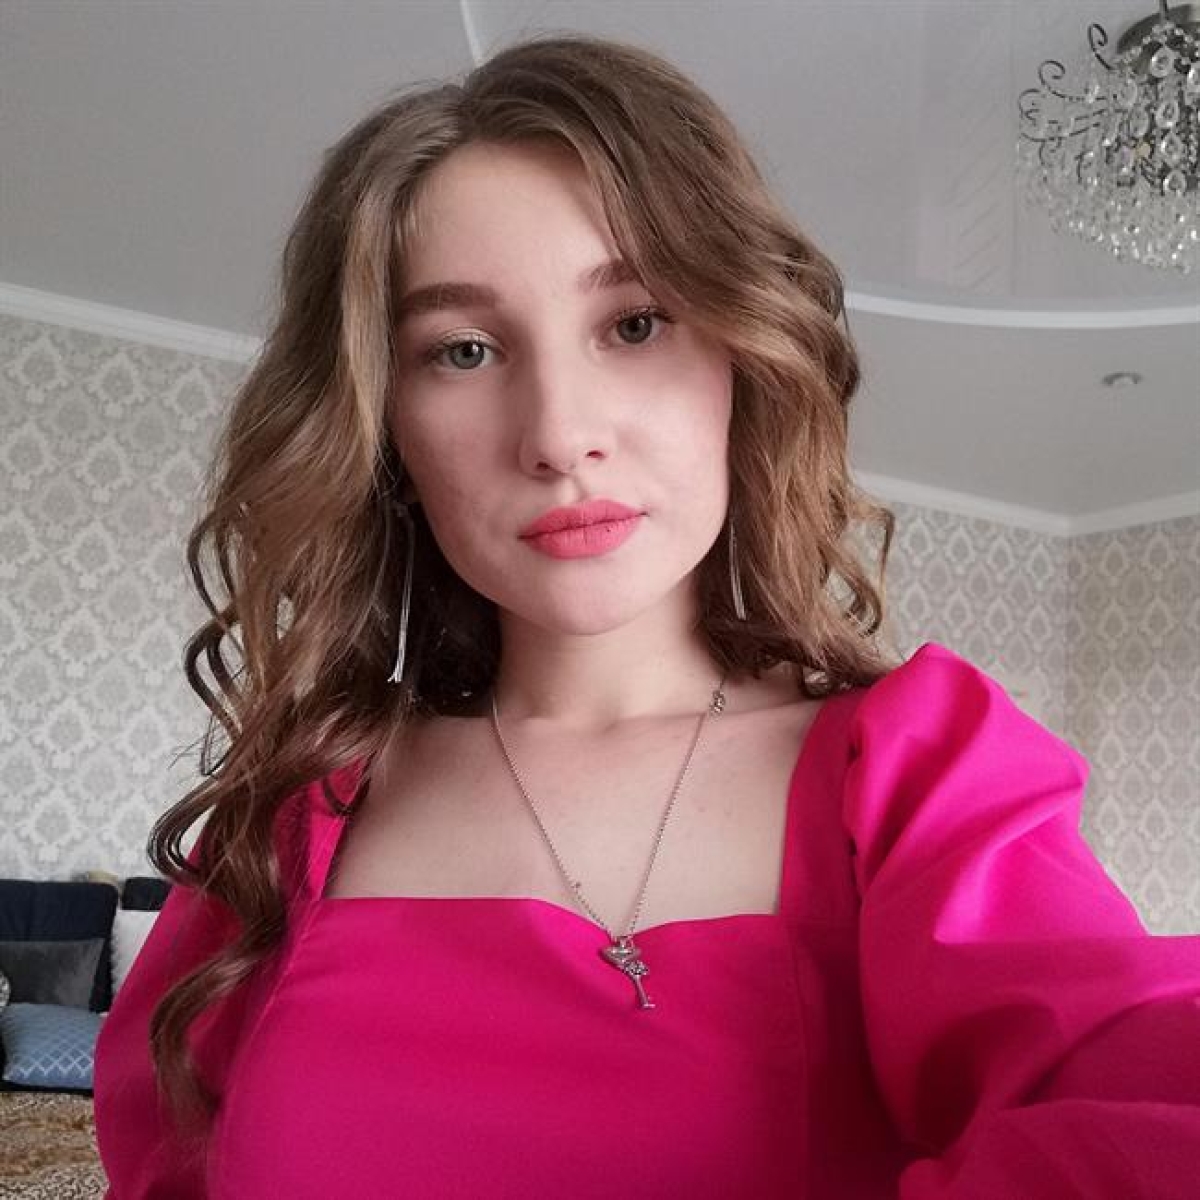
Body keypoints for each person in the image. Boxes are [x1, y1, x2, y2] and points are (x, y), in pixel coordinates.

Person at [92, 32, 1200, 1200]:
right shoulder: (282, 828)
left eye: (634, 323)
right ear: (387, 430)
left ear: (742, 357)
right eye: (463, 350)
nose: (559, 434)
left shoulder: (917, 778)